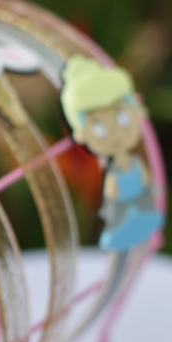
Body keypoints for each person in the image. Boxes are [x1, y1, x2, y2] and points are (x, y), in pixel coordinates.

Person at [61, 55, 164, 251]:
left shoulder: (135, 163)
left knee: (145, 227)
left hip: (142, 206)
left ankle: (148, 241)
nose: (115, 133)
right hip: (122, 213)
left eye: (122, 117)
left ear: (136, 112)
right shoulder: (113, 173)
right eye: (99, 127)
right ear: (82, 134)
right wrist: (108, 209)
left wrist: (153, 191)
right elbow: (110, 195)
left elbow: (146, 181)